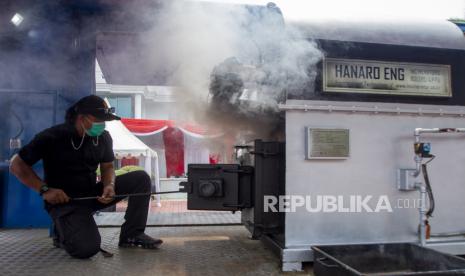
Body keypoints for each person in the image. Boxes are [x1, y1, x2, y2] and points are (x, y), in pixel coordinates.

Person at [9, 95, 162, 259]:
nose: (102, 125)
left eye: (105, 121)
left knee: (141, 178)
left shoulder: (103, 137)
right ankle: (63, 232)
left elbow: (108, 166)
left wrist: (109, 185)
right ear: (81, 118)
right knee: (86, 249)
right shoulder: (51, 137)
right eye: (99, 120)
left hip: (92, 194)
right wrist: (45, 190)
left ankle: (132, 235)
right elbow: (16, 165)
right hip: (65, 201)